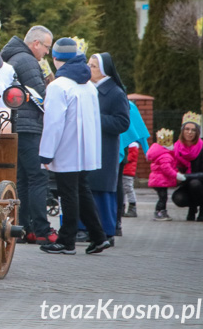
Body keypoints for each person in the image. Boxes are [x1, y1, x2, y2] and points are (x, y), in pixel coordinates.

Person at [38, 38, 110, 256]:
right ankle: (98, 237)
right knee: (81, 191)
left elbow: (53, 124)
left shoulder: (58, 86)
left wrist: (46, 154)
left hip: (66, 148)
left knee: (68, 193)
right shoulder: (88, 85)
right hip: (85, 149)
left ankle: (67, 240)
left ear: (56, 58)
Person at [0, 25, 55, 245]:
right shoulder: (28, 61)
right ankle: (41, 229)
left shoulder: (15, 57)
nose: (47, 53)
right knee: (38, 177)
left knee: (23, 178)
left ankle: (23, 227)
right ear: (36, 43)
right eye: (46, 47)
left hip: (16, 125)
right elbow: (41, 97)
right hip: (29, 126)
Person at [83, 53, 130, 243]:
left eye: (93, 66)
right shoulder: (88, 88)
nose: (89, 68)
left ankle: (107, 230)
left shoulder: (116, 93)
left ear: (103, 71)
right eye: (88, 64)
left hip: (106, 149)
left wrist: (95, 119)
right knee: (87, 187)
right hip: (90, 146)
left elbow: (122, 123)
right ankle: (86, 228)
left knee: (101, 190)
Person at [173, 112, 203, 221]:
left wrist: (187, 176)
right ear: (182, 130)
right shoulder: (177, 147)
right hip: (185, 184)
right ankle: (192, 207)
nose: (190, 132)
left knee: (194, 184)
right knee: (178, 198)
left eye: (193, 130)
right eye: (187, 129)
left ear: (197, 132)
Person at [147, 128, 177, 221]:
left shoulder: (160, 153)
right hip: (161, 180)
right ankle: (159, 212)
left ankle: (162, 211)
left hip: (157, 180)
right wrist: (175, 174)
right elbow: (166, 168)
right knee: (163, 197)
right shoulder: (165, 155)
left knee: (162, 197)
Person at [121, 143, 139, 218]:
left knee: (128, 189)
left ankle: (132, 207)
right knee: (123, 190)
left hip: (128, 172)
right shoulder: (129, 147)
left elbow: (127, 158)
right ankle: (122, 207)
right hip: (124, 171)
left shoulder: (132, 147)